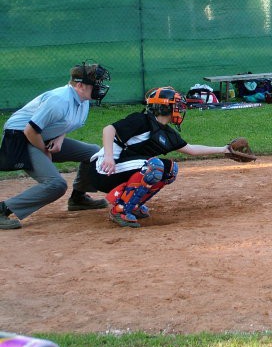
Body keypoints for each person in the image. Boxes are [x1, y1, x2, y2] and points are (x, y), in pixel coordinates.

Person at [84, 86, 242, 228]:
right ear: (165, 107)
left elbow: (192, 149)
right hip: (103, 170)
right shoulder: (141, 120)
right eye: (176, 106)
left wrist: (224, 149)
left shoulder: (167, 133)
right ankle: (119, 210)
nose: (179, 110)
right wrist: (109, 157)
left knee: (170, 169)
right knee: (154, 166)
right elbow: (108, 130)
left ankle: (131, 205)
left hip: (121, 169)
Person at [0, 62, 112, 230]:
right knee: (56, 185)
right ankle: (3, 209)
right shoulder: (59, 100)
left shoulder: (82, 100)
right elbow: (30, 130)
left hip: (42, 136)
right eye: (95, 84)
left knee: (94, 153)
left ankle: (78, 198)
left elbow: (64, 124)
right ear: (80, 85)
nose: (99, 87)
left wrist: (59, 140)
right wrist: (45, 152)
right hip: (20, 138)